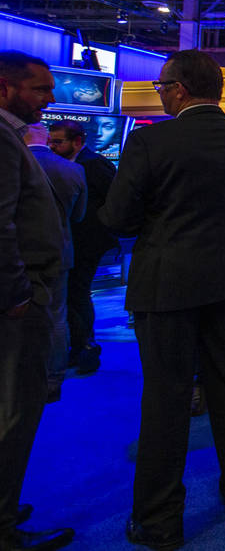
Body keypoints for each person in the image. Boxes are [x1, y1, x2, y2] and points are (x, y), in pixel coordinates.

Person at [99, 50, 225, 548]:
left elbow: (118, 218)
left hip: (166, 285)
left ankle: (158, 520)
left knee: (167, 398)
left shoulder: (150, 140)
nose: (160, 94)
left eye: (159, 87)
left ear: (176, 88)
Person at [0, 51, 75, 551]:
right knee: (13, 409)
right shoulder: (3, 140)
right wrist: (19, 293)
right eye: (40, 88)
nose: (50, 99)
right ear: (5, 87)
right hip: (15, 304)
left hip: (22, 294)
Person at [48, 119, 117, 375]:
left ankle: (85, 347)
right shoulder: (71, 164)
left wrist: (103, 228)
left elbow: (116, 199)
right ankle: (80, 346)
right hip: (74, 241)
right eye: (50, 141)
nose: (52, 147)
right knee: (74, 294)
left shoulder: (94, 164)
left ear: (76, 141)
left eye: (58, 142)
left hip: (88, 242)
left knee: (78, 293)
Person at [24, 123, 86, 404]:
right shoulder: (73, 169)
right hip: (60, 251)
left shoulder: (15, 162)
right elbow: (79, 215)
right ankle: (53, 377)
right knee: (57, 316)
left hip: (18, 253)